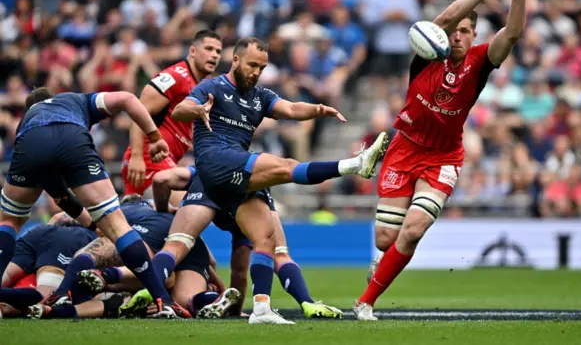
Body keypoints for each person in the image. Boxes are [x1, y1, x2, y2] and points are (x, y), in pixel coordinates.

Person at [353, 0, 544, 321]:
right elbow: (442, 17)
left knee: (413, 231)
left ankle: (366, 302)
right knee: (384, 239)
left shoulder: (481, 62)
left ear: (474, 36)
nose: (457, 36)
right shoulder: (427, 56)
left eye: (465, 32)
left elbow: (514, 32)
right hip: (403, 149)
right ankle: (381, 264)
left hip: (442, 157)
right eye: (454, 31)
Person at [160, 36, 387, 324]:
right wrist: (198, 109)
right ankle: (354, 164)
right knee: (285, 166)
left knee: (264, 238)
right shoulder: (213, 86)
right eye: (252, 64)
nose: (256, 72)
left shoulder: (260, 96)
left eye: (262, 67)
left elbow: (291, 110)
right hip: (215, 161)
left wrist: (317, 109)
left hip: (233, 177)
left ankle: (262, 309)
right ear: (237, 60)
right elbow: (180, 109)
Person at [0, 87, 189, 318]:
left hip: (31, 143)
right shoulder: (75, 100)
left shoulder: (27, 122)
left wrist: (89, 223)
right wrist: (155, 137)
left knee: (9, 221)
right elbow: (128, 98)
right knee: (118, 226)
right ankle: (164, 300)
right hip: (72, 138)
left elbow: (60, 196)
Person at [122, 166, 343, 319]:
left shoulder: (205, 166)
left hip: (208, 186)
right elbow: (238, 273)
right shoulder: (255, 172)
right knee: (278, 254)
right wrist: (235, 311)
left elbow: (161, 179)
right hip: (251, 188)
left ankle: (150, 289)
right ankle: (307, 302)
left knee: (175, 246)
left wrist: (163, 210)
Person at [28, 196, 239, 320]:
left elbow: (62, 218)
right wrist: (219, 285)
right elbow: (210, 260)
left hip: (145, 232)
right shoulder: (163, 209)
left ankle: (88, 283)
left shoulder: (121, 210)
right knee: (186, 299)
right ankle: (214, 299)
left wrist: (55, 224)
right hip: (189, 244)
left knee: (93, 252)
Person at [122, 30, 222, 206]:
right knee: (192, 207)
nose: (214, 55)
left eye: (218, 51)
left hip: (162, 161)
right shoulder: (175, 76)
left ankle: (70, 221)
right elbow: (139, 112)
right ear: (192, 51)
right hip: (146, 159)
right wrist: (136, 157)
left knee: (125, 226)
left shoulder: (203, 87)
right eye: (209, 48)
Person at [0, 217, 97, 317]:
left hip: (38, 232)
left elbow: (56, 218)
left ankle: (3, 309)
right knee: (47, 297)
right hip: (72, 237)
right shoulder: (104, 218)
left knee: (3, 275)